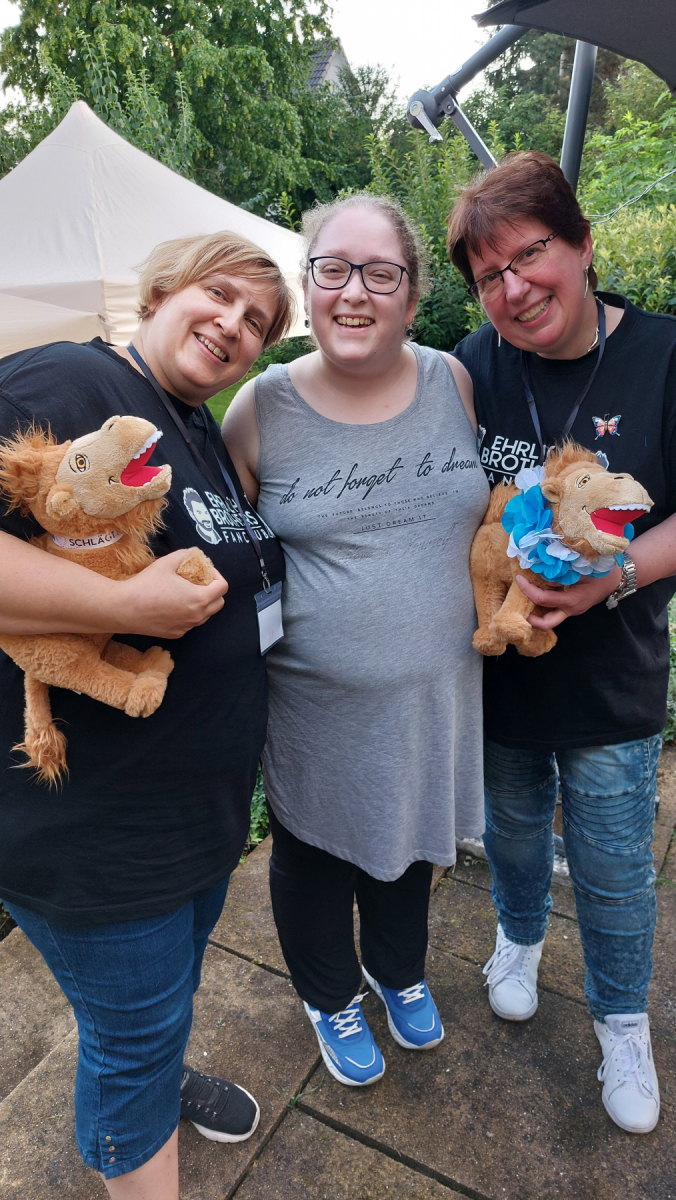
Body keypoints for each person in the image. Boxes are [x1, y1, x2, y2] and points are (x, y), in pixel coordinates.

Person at [0, 231, 292, 1198]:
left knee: (158, 1007)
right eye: (220, 295)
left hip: (190, 817)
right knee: (128, 1045)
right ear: (162, 291)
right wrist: (121, 607)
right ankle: (142, 1095)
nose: (234, 326)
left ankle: (158, 1067)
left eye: (258, 322)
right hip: (94, 829)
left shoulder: (192, 425)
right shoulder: (66, 381)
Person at [223, 193, 489, 1087]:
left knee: (409, 842)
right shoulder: (258, 410)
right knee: (313, 856)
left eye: (381, 273)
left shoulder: (453, 382)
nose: (354, 292)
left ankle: (397, 970)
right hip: (313, 710)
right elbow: (218, 554)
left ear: (412, 296)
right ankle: (329, 992)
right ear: (308, 287)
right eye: (333, 268)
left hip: (437, 697)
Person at [448, 150, 676, 1135]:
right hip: (502, 674)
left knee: (615, 864)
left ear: (581, 245)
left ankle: (622, 1021)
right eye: (487, 275)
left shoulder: (661, 354)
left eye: (529, 255)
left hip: (612, 680)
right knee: (510, 833)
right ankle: (519, 937)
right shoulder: (473, 363)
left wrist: (608, 582)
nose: (512, 289)